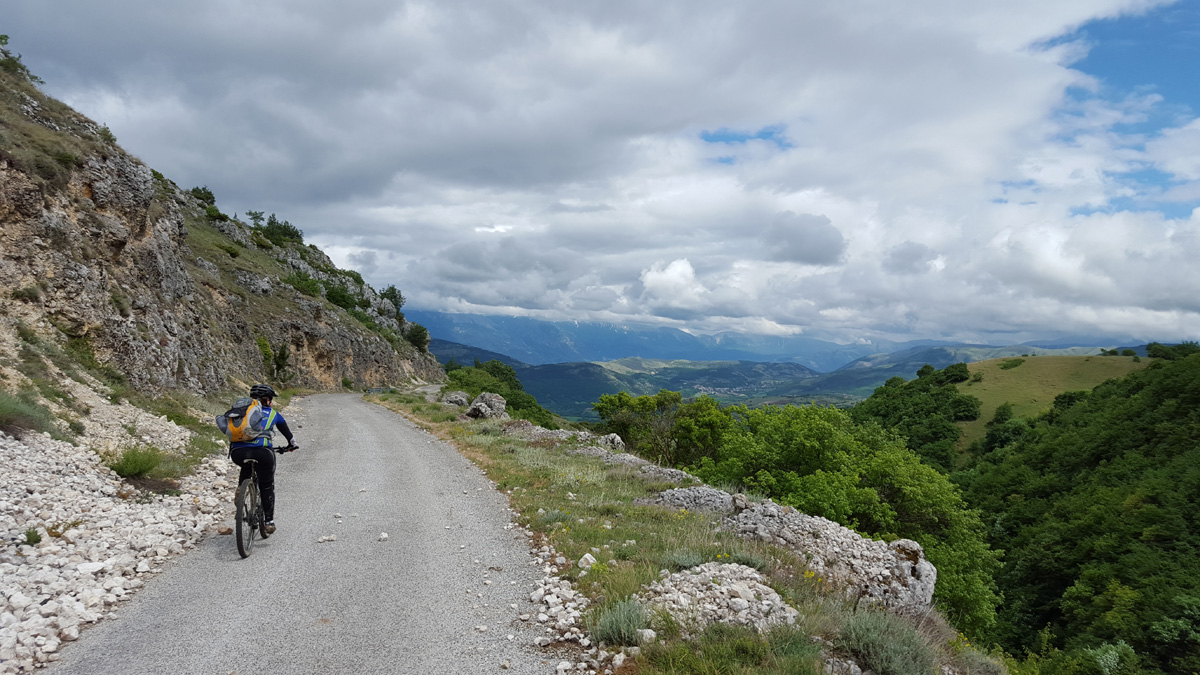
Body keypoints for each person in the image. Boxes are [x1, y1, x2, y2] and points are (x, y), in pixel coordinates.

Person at [229, 383, 297, 534]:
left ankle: (241, 491)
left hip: (238, 452)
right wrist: (292, 445)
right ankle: (269, 521)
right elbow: (289, 436)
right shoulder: (273, 413)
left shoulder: (241, 411)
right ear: (267, 400)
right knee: (266, 485)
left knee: (246, 466)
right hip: (262, 452)